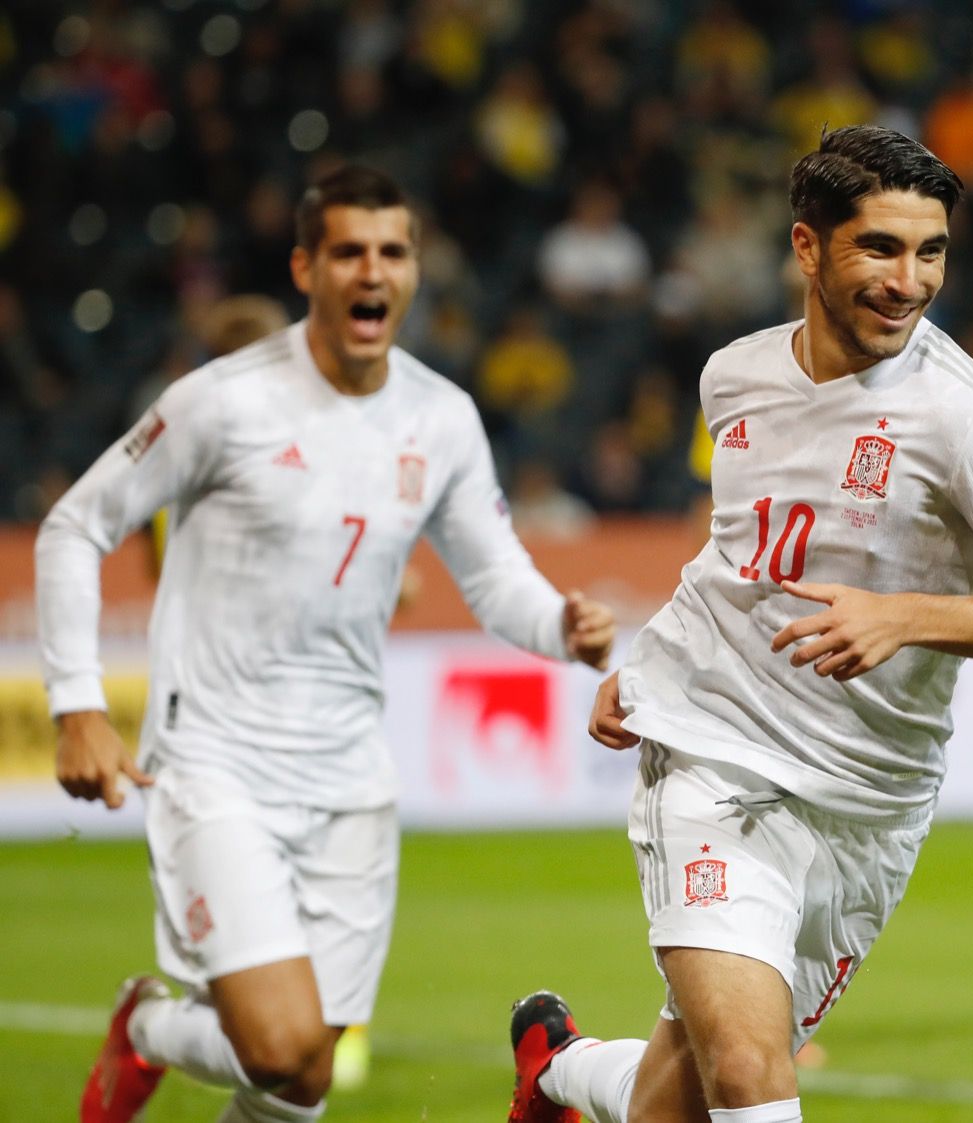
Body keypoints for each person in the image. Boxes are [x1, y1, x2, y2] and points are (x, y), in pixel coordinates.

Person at [505, 124, 973, 1123]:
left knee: (679, 1106)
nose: (908, 282)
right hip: (720, 759)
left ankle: (557, 1069)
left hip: (869, 804)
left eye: (930, 253)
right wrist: (658, 661)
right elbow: (742, 557)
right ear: (806, 247)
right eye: (878, 247)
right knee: (749, 1077)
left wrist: (907, 617)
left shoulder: (966, 416)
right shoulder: (733, 377)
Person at [39, 164, 616, 1123]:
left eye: (392, 251)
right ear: (307, 267)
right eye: (348, 251)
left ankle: (164, 1034)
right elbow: (74, 525)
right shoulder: (223, 403)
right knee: (273, 1042)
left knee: (300, 1080)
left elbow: (493, 575)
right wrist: (77, 703)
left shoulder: (440, 417)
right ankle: (145, 1023)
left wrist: (559, 622)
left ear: (415, 272)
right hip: (216, 761)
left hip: (351, 777)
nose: (371, 271)